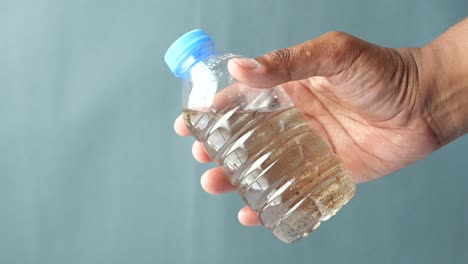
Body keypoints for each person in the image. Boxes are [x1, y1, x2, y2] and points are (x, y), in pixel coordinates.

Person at [174, 18, 468, 226]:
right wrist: (423, 100)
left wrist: (418, 88)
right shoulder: (199, 102)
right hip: (289, 203)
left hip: (315, 181)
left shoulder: (229, 72)